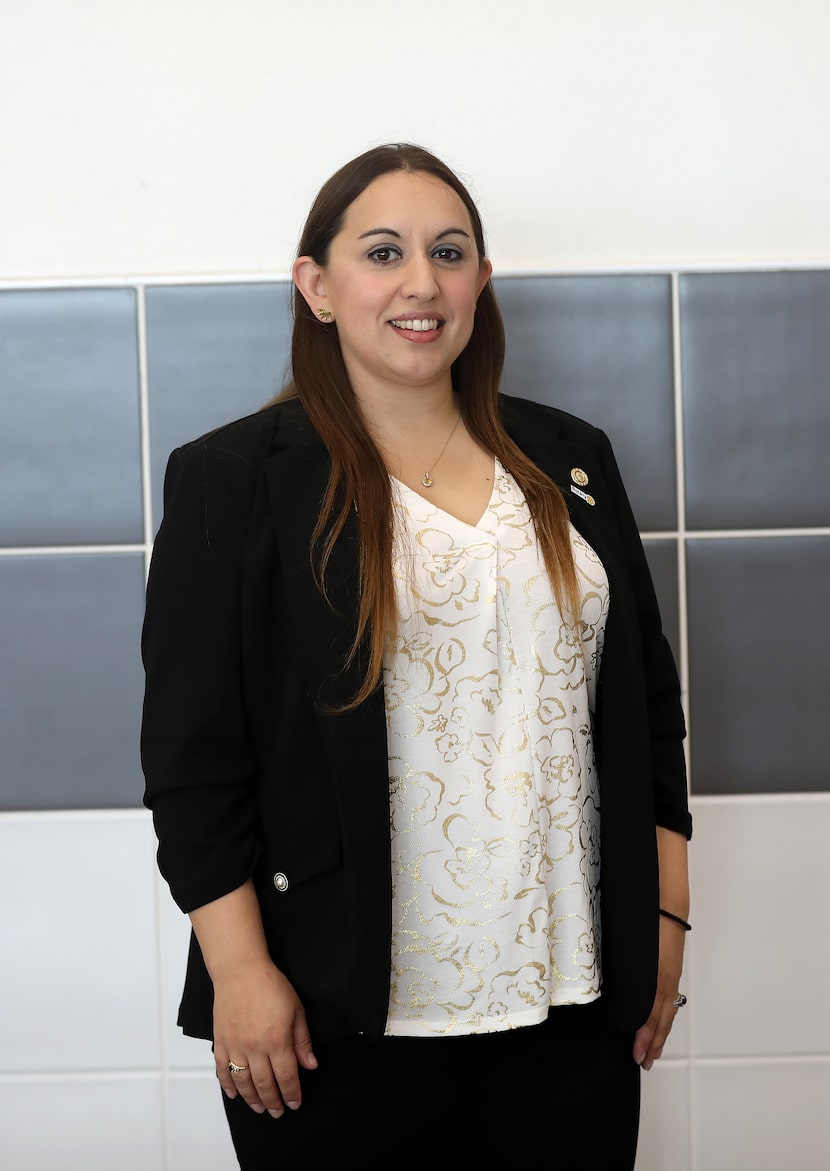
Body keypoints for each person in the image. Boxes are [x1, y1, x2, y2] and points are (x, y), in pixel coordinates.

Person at [140, 142, 692, 1169]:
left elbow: (647, 711)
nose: (419, 282)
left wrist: (664, 919)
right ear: (316, 286)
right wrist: (240, 972)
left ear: (480, 282)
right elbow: (192, 759)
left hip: (569, 997)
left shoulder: (568, 458)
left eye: (447, 252)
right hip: (332, 1012)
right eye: (381, 251)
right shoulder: (235, 481)